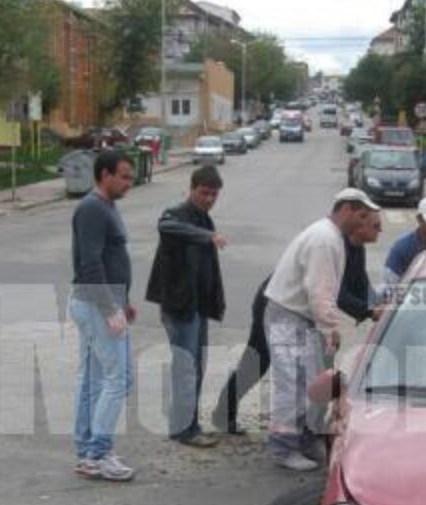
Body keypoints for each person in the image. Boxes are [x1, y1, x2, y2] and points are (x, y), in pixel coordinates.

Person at [211, 211, 384, 435]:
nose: (380, 230)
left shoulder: (357, 247)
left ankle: (310, 425)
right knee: (258, 360)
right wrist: (368, 311)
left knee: (321, 365)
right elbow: (336, 293)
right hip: (277, 302)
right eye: (376, 225)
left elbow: (360, 284)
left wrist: (377, 305)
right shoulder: (332, 243)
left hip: (308, 310)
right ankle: (228, 414)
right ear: (360, 224)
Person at [264, 188, 380, 471]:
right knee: (293, 383)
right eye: (362, 216)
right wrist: (330, 328)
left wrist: (327, 326)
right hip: (288, 316)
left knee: (313, 383)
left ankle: (304, 439)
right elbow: (320, 291)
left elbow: (326, 290)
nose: (363, 223)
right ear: (347, 210)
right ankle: (283, 447)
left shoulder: (331, 237)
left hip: (299, 317)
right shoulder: (325, 240)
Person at [146, 165, 228, 448]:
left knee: (197, 367)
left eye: (214, 195)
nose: (208, 199)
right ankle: (182, 429)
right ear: (192, 188)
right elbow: (166, 225)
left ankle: (189, 424)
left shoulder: (205, 219)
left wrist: (215, 302)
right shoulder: (176, 215)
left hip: (197, 307)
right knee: (186, 368)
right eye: (204, 193)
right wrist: (207, 237)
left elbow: (208, 269)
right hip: (179, 307)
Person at [69, 149, 137, 481]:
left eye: (131, 177)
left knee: (94, 381)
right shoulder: (93, 208)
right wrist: (110, 309)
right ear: (104, 174)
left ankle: (88, 451)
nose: (129, 183)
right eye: (123, 176)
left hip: (104, 301)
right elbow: (90, 263)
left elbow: (110, 259)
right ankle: (98, 453)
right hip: (96, 304)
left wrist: (123, 301)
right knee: (119, 379)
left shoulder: (106, 207)